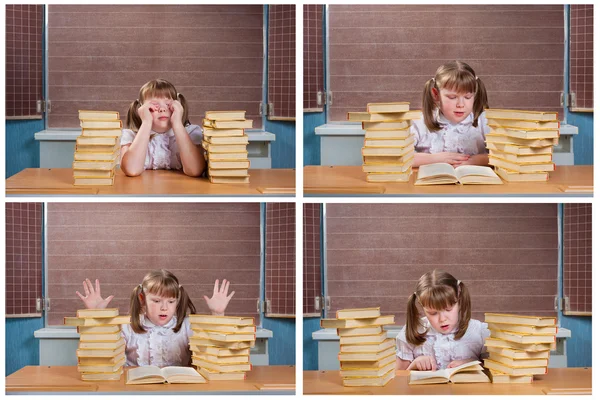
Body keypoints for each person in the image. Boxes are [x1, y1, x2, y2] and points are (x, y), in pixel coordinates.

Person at [76, 270, 234, 367]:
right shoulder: (127, 327)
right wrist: (97, 316)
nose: (164, 307)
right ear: (142, 299)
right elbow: (103, 355)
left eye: (171, 301)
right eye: (157, 301)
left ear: (177, 300)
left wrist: (218, 314)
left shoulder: (187, 327)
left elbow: (215, 351)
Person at [396, 270, 489, 370]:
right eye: (433, 313)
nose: (442, 319)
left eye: (448, 309)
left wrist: (472, 363)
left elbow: (496, 375)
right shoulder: (410, 333)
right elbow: (398, 380)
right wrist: (413, 366)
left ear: (458, 295)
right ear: (421, 305)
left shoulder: (480, 332)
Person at [412, 61, 491, 167]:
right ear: (436, 95)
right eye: (452, 97)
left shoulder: (484, 121)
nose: (461, 105)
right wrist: (434, 159)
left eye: (467, 97)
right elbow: (400, 157)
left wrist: (474, 160)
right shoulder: (419, 123)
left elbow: (504, 156)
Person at [121, 79, 205, 177]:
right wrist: (146, 122)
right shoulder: (131, 136)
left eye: (168, 104)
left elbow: (195, 170)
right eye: (154, 105)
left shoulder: (191, 133)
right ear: (141, 110)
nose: (162, 109)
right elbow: (132, 170)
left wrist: (177, 123)